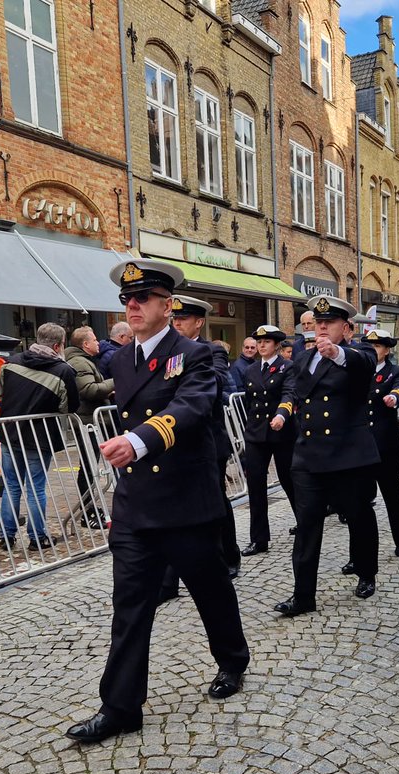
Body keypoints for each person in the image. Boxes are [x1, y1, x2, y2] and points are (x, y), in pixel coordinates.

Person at [67, 259, 250, 744]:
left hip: (185, 501)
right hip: (137, 504)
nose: (132, 305)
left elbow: (189, 407)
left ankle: (233, 660)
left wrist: (141, 440)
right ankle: (121, 706)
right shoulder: (120, 359)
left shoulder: (198, 354)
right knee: (129, 606)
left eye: (143, 298)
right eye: (128, 299)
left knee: (210, 591)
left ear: (167, 307)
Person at [275, 294, 380, 617]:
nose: (321, 328)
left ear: (347, 329)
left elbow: (364, 365)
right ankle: (303, 595)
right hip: (309, 456)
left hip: (348, 454)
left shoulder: (358, 353)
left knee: (358, 516)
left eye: (328, 323)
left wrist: (337, 353)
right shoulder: (304, 359)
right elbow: (293, 390)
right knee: (307, 526)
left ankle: (366, 571)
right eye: (318, 323)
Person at [167, 295, 240, 580]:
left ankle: (229, 555)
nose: (177, 323)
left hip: (208, 439)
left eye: (182, 319)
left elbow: (218, 381)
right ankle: (172, 575)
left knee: (215, 501)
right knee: (175, 504)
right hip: (174, 440)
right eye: (174, 319)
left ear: (198, 322)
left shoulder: (212, 351)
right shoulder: (167, 351)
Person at [0, 323, 80, 553]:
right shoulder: (63, 371)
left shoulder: (11, 362)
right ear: (57, 345)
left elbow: (0, 393)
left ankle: (6, 537)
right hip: (39, 436)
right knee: (36, 489)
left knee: (11, 486)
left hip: (10, 434)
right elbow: (70, 406)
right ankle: (37, 537)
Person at [240, 325, 297, 556]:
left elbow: (290, 393)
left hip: (281, 432)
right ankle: (259, 539)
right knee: (255, 486)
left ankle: (305, 522)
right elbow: (247, 401)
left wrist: (282, 415)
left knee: (289, 480)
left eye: (266, 342)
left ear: (276, 345)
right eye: (259, 341)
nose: (261, 345)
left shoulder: (287, 367)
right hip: (256, 434)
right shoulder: (251, 370)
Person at [361, 328, 399, 558]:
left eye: (377, 347)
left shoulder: (395, 371)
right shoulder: (359, 370)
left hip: (387, 444)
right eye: (369, 347)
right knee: (359, 500)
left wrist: (395, 397)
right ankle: (360, 553)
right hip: (360, 444)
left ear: (387, 349)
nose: (373, 351)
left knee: (392, 493)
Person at [64, 326, 115, 528]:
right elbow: (88, 390)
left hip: (92, 421)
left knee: (91, 466)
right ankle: (88, 511)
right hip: (87, 422)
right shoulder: (78, 361)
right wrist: (114, 383)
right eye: (94, 340)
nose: (98, 343)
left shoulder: (84, 360)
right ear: (85, 344)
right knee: (88, 467)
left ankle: (92, 508)